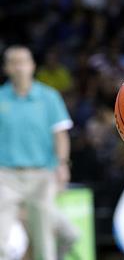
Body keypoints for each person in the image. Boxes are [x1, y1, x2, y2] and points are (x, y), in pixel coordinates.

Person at [0, 46, 76, 260]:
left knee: (45, 239)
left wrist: (62, 165)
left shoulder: (49, 97)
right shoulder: (1, 98)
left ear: (32, 66)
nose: (19, 67)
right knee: (1, 240)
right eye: (13, 62)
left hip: (42, 175)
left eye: (23, 61)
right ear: (6, 68)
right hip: (5, 176)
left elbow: (60, 135)